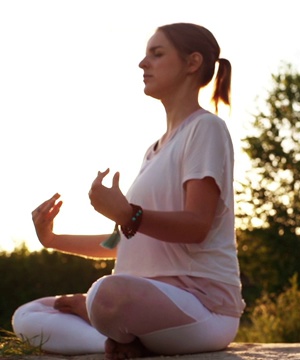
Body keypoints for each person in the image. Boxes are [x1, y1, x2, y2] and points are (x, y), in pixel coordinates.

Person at [11, 22, 245, 359]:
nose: (143, 63)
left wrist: (127, 213)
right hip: (138, 303)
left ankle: (105, 320)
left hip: (201, 308)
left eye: (157, 53)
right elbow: (121, 243)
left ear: (192, 63)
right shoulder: (154, 150)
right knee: (30, 315)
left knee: (108, 293)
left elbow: (197, 226)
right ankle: (115, 343)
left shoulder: (205, 128)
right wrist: (52, 239)